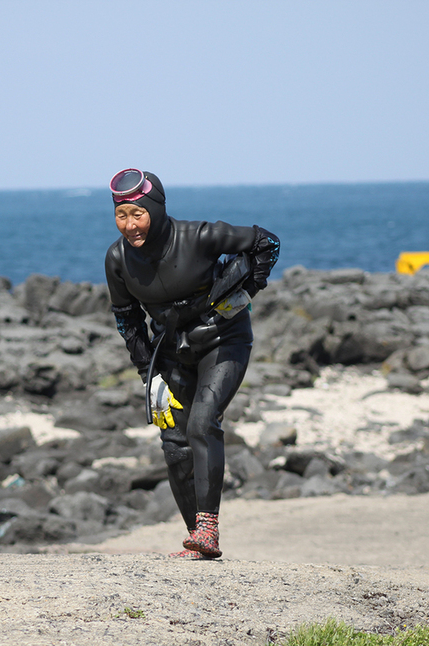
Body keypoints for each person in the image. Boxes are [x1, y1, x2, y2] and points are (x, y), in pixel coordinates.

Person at [104, 169, 280, 559]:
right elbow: (127, 320)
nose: (130, 225)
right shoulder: (117, 259)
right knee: (174, 444)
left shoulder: (199, 236)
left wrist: (248, 290)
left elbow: (267, 242)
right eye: (122, 216)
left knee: (203, 421)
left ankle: (208, 528)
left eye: (138, 214)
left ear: (156, 208)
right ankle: (196, 539)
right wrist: (148, 376)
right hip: (172, 351)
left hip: (224, 338)